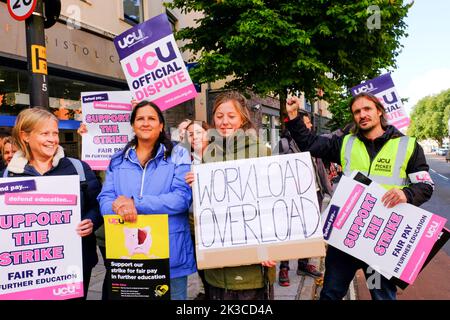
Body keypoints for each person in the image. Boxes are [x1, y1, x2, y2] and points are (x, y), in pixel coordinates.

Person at [285, 92, 434, 300]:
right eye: (357, 112)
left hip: (380, 241)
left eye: (367, 109)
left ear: (379, 111)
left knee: (381, 296)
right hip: (345, 237)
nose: (362, 115)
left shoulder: (408, 145)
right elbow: (311, 144)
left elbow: (426, 185)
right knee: (331, 294)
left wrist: (406, 193)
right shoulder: (345, 143)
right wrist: (293, 117)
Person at [97, 100, 196, 300]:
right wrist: (117, 208)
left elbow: (181, 199)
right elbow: (105, 199)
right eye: (140, 118)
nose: (145, 123)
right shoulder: (118, 159)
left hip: (171, 251)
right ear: (133, 125)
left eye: (151, 118)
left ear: (161, 126)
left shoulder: (179, 154)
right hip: (129, 254)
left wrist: (136, 203)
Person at [2, 107, 102, 299]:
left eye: (55, 133)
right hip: (30, 271)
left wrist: (91, 221)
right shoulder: (9, 175)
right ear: (25, 136)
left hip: (76, 263)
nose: (52, 139)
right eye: (45, 133)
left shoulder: (77, 168)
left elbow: (97, 205)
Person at [185, 91, 276, 300]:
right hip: (216, 264)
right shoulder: (209, 154)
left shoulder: (261, 151)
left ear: (243, 118)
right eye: (219, 116)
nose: (224, 121)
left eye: (231, 116)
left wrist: (270, 247)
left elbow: (271, 206)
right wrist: (199, 187)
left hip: (251, 267)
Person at [277, 111, 330, 286]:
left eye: (308, 123)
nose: (308, 126)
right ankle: (284, 267)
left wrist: (327, 188)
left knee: (309, 230)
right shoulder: (284, 144)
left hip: (315, 192)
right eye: (305, 123)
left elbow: (320, 166)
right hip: (292, 195)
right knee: (290, 230)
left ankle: (303, 264)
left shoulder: (313, 142)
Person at [185, 120, 211, 299]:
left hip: (213, 221)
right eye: (190, 134)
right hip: (193, 220)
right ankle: (205, 290)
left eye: (199, 132)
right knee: (199, 261)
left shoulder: (219, 157)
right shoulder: (185, 160)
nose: (195, 137)